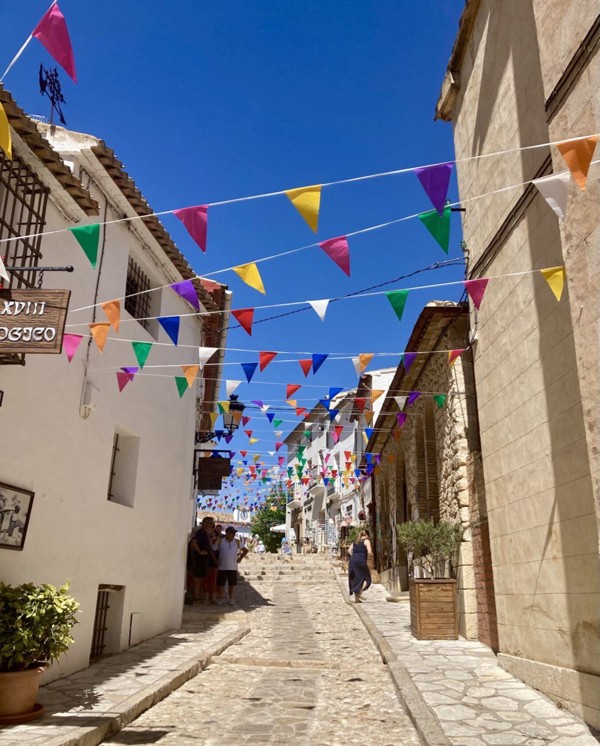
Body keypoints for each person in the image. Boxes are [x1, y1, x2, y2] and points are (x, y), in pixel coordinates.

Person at [217, 527, 248, 605]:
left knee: (232, 584)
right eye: (231, 533)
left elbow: (245, 550)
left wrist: (240, 558)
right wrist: (215, 560)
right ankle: (220, 598)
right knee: (221, 584)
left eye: (234, 533)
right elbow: (213, 550)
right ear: (227, 533)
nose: (233, 534)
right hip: (222, 566)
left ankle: (231, 599)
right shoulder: (220, 541)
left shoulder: (237, 542)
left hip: (233, 567)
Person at [188, 516, 216, 604]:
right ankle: (196, 598)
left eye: (212, 524)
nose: (211, 525)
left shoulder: (205, 533)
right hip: (199, 559)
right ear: (203, 523)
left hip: (203, 560)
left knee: (200, 578)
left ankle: (198, 596)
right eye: (209, 523)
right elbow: (193, 542)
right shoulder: (201, 532)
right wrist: (200, 552)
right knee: (197, 578)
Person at [347, 529, 373, 603]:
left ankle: (357, 600)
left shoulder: (355, 542)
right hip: (361, 560)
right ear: (367, 535)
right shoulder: (366, 541)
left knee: (355, 578)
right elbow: (370, 552)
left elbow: (349, 550)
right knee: (367, 578)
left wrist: (354, 556)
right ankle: (360, 592)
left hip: (353, 560)